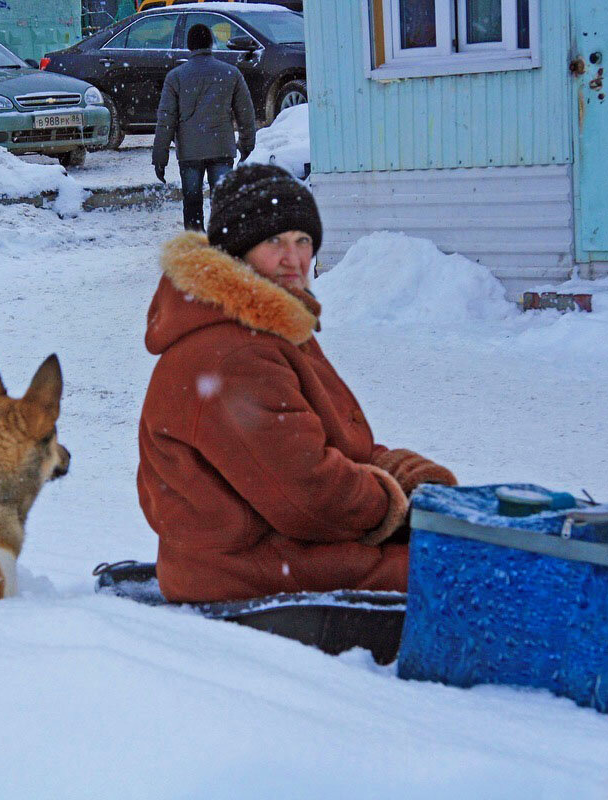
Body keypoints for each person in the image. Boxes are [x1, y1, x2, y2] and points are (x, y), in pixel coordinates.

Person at [137, 164, 458, 603]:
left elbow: (337, 450)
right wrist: (394, 506)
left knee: (464, 548)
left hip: (275, 548)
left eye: (303, 241)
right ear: (239, 251)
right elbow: (308, 494)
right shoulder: (235, 354)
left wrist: (410, 478)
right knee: (459, 575)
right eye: (274, 241)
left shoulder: (268, 327)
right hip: (239, 568)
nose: (295, 259)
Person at [152, 23, 256, 232]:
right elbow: (246, 114)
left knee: (192, 203)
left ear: (189, 46)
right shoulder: (231, 73)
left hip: (190, 152)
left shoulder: (176, 77)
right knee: (223, 203)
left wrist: (160, 157)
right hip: (221, 148)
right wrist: (246, 144)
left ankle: (196, 246)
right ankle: (223, 245)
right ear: (211, 43)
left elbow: (166, 120)